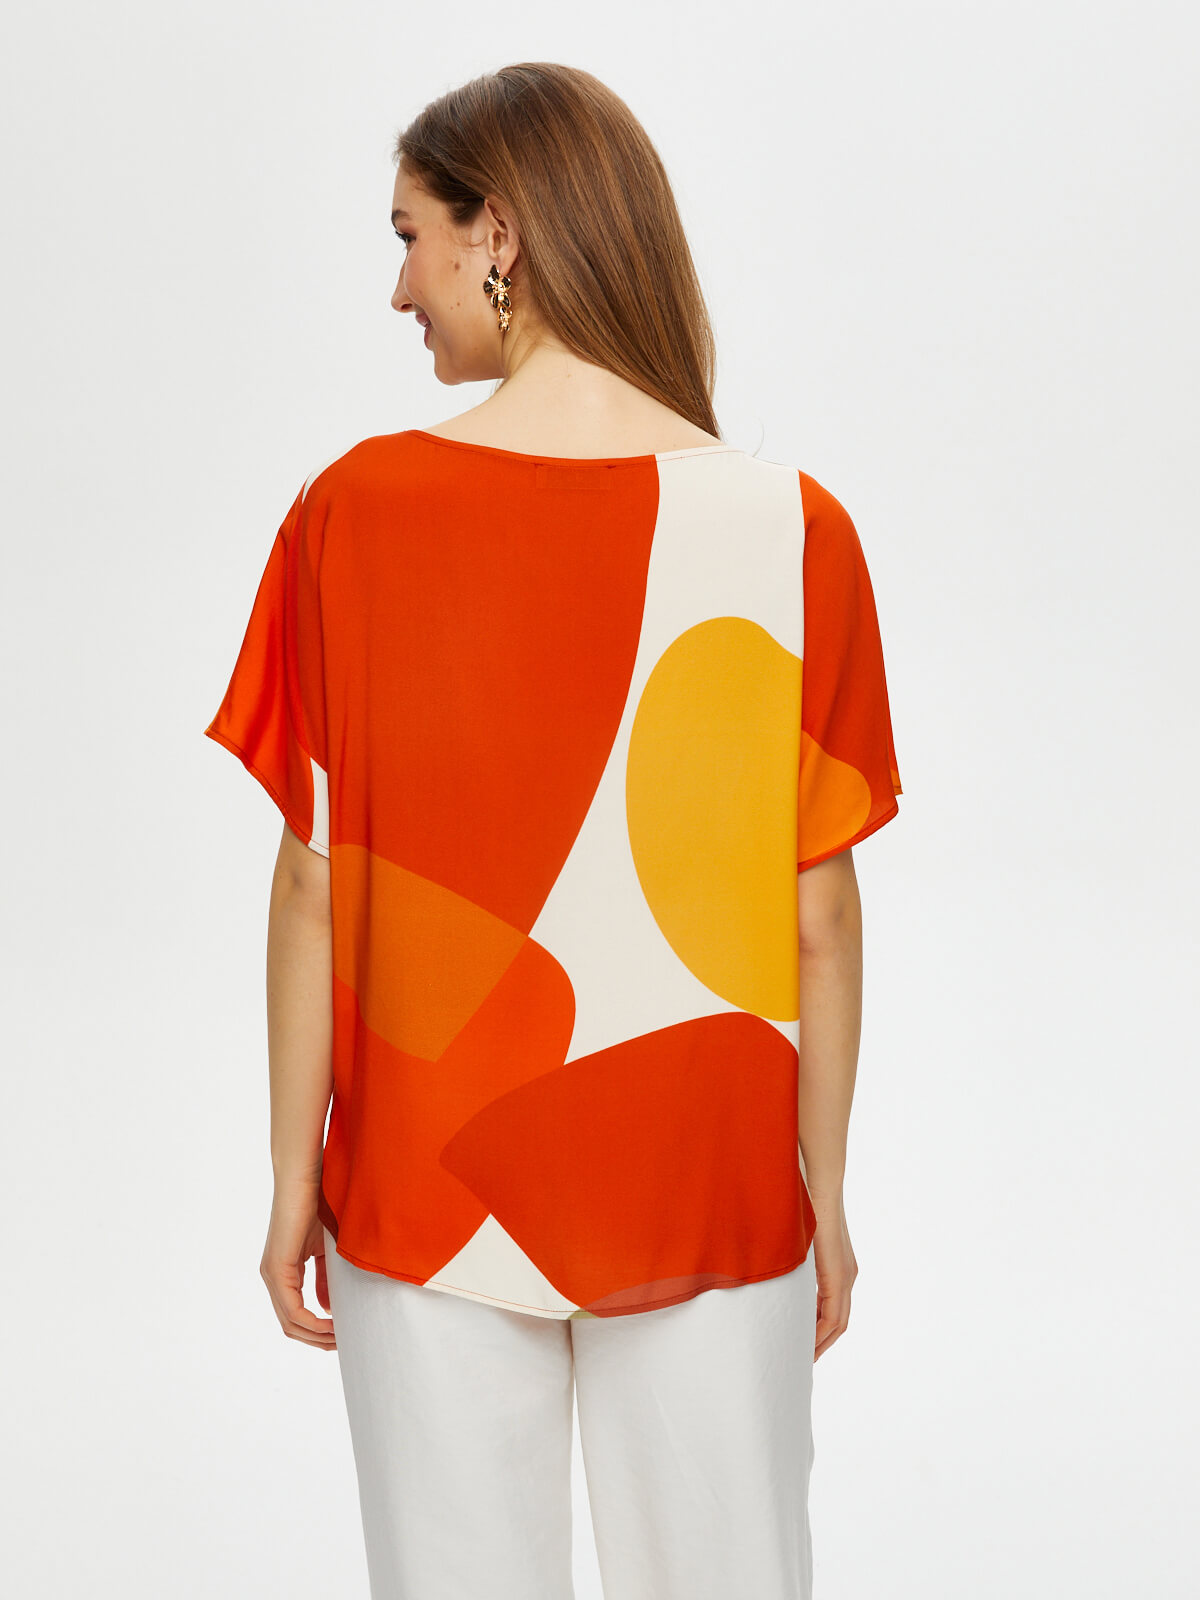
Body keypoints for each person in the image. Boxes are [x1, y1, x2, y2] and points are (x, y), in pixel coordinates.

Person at [203, 60, 902, 1600]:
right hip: (709, 1178)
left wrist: (291, 1171)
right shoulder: (794, 528)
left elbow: (314, 882)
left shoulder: (353, 513)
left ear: (498, 233)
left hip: (425, 1176)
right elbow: (822, 914)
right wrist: (826, 1188)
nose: (399, 288)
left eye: (410, 237)